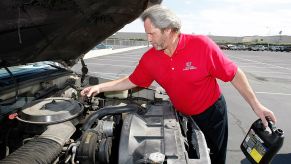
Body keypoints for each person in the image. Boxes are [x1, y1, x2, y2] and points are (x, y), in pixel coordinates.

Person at [81, 5, 277, 164]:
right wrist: (100, 87)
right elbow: (132, 81)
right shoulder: (151, 58)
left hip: (212, 114)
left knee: (214, 157)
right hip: (182, 114)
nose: (148, 39)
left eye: (152, 34)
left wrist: (256, 106)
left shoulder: (201, 45)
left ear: (169, 30)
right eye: (146, 34)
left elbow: (234, 74)